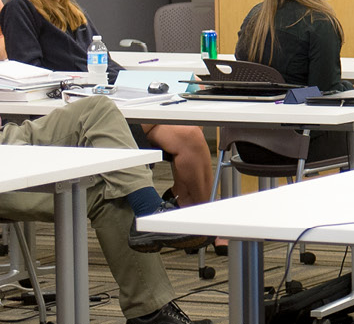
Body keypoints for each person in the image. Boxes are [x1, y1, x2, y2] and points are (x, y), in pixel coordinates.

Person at [1, 0, 215, 208]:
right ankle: (166, 215)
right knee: (175, 119)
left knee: (191, 136)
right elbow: (31, 71)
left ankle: (194, 221)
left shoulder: (72, 10)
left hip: (105, 95)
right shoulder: (20, 8)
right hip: (68, 109)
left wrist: (157, 82)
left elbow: (108, 66)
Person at [1, 95, 212, 324]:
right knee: (110, 187)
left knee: (97, 109)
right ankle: (150, 313)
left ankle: (150, 213)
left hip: (6, 137)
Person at [235, 0, 354, 163]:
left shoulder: (255, 16)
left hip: (249, 145)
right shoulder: (319, 22)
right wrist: (348, 87)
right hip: (298, 146)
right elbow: (325, 93)